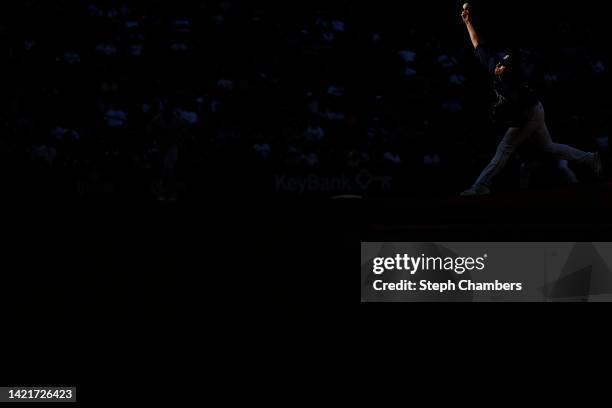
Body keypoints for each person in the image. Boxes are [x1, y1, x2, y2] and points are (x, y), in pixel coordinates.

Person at [459, 6, 603, 196]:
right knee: (548, 147)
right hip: (532, 110)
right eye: (501, 64)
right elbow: (477, 44)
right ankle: (591, 159)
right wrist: (468, 22)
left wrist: (509, 117)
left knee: (504, 149)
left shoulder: (516, 79)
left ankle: (481, 186)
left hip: (530, 112)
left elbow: (521, 114)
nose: (502, 67)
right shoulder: (491, 62)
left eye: (505, 66)